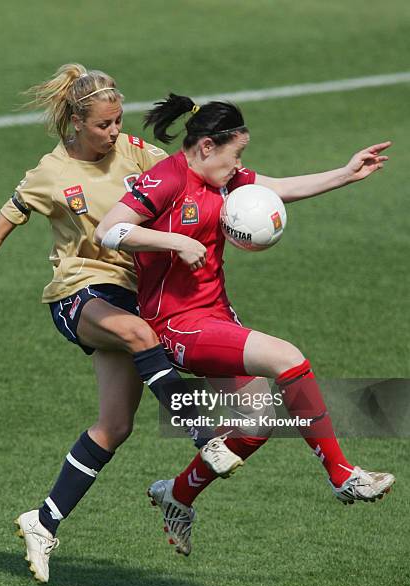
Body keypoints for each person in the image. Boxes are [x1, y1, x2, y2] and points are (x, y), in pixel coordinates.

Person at [0, 70, 244, 582]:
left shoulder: (132, 151)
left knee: (114, 427)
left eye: (118, 120)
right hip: (78, 294)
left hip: (129, 293)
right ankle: (202, 434)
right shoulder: (49, 173)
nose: (115, 131)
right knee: (141, 335)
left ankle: (43, 520)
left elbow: (190, 172)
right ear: (76, 122)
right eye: (104, 124)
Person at [95, 93, 395, 555]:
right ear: (208, 146)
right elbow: (110, 229)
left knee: (255, 426)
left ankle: (177, 494)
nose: (241, 166)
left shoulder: (223, 180)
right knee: (289, 359)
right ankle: (342, 476)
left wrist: (345, 173)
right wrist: (173, 241)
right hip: (177, 326)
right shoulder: (168, 177)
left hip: (216, 316)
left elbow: (279, 187)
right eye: (237, 154)